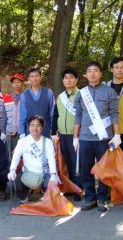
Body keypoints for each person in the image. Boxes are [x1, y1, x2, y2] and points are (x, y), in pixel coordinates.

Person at [73, 61, 120, 212]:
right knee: (86, 169)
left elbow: (114, 114)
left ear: (101, 73)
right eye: (89, 71)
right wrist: (75, 137)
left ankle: (101, 199)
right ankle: (90, 198)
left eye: (96, 71)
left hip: (103, 138)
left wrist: (117, 135)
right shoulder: (81, 93)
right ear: (85, 75)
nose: (92, 73)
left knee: (103, 170)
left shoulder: (109, 92)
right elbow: (78, 115)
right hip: (85, 138)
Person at [8, 115, 58, 203]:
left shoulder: (48, 142)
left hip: (44, 173)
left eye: (38, 125)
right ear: (28, 127)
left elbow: (51, 159)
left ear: (42, 128)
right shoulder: (22, 141)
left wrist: (53, 174)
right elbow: (16, 156)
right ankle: (25, 196)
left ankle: (45, 197)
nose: (35, 128)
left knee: (51, 186)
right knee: (14, 184)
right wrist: (12, 170)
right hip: (27, 172)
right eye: (32, 125)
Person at [51, 68, 81, 200]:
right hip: (62, 135)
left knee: (77, 164)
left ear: (76, 80)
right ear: (63, 81)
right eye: (66, 78)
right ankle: (69, 187)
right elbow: (55, 115)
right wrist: (53, 132)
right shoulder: (60, 97)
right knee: (66, 163)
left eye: (71, 77)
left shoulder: (82, 95)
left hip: (77, 136)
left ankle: (79, 190)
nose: (68, 80)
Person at [18, 68, 55, 138]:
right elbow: (22, 116)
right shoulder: (24, 95)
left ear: (40, 77)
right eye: (32, 76)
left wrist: (53, 130)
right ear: (29, 79)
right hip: (30, 131)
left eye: (37, 76)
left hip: (46, 130)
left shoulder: (48, 93)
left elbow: (53, 114)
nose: (34, 78)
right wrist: (21, 132)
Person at [3, 73, 25, 159]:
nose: (16, 84)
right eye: (14, 82)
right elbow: (3, 117)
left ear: (22, 83)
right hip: (9, 131)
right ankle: (9, 171)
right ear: (11, 84)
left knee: (21, 155)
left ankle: (21, 171)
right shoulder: (6, 98)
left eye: (18, 82)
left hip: (22, 132)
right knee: (9, 155)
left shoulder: (26, 97)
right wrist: (3, 131)